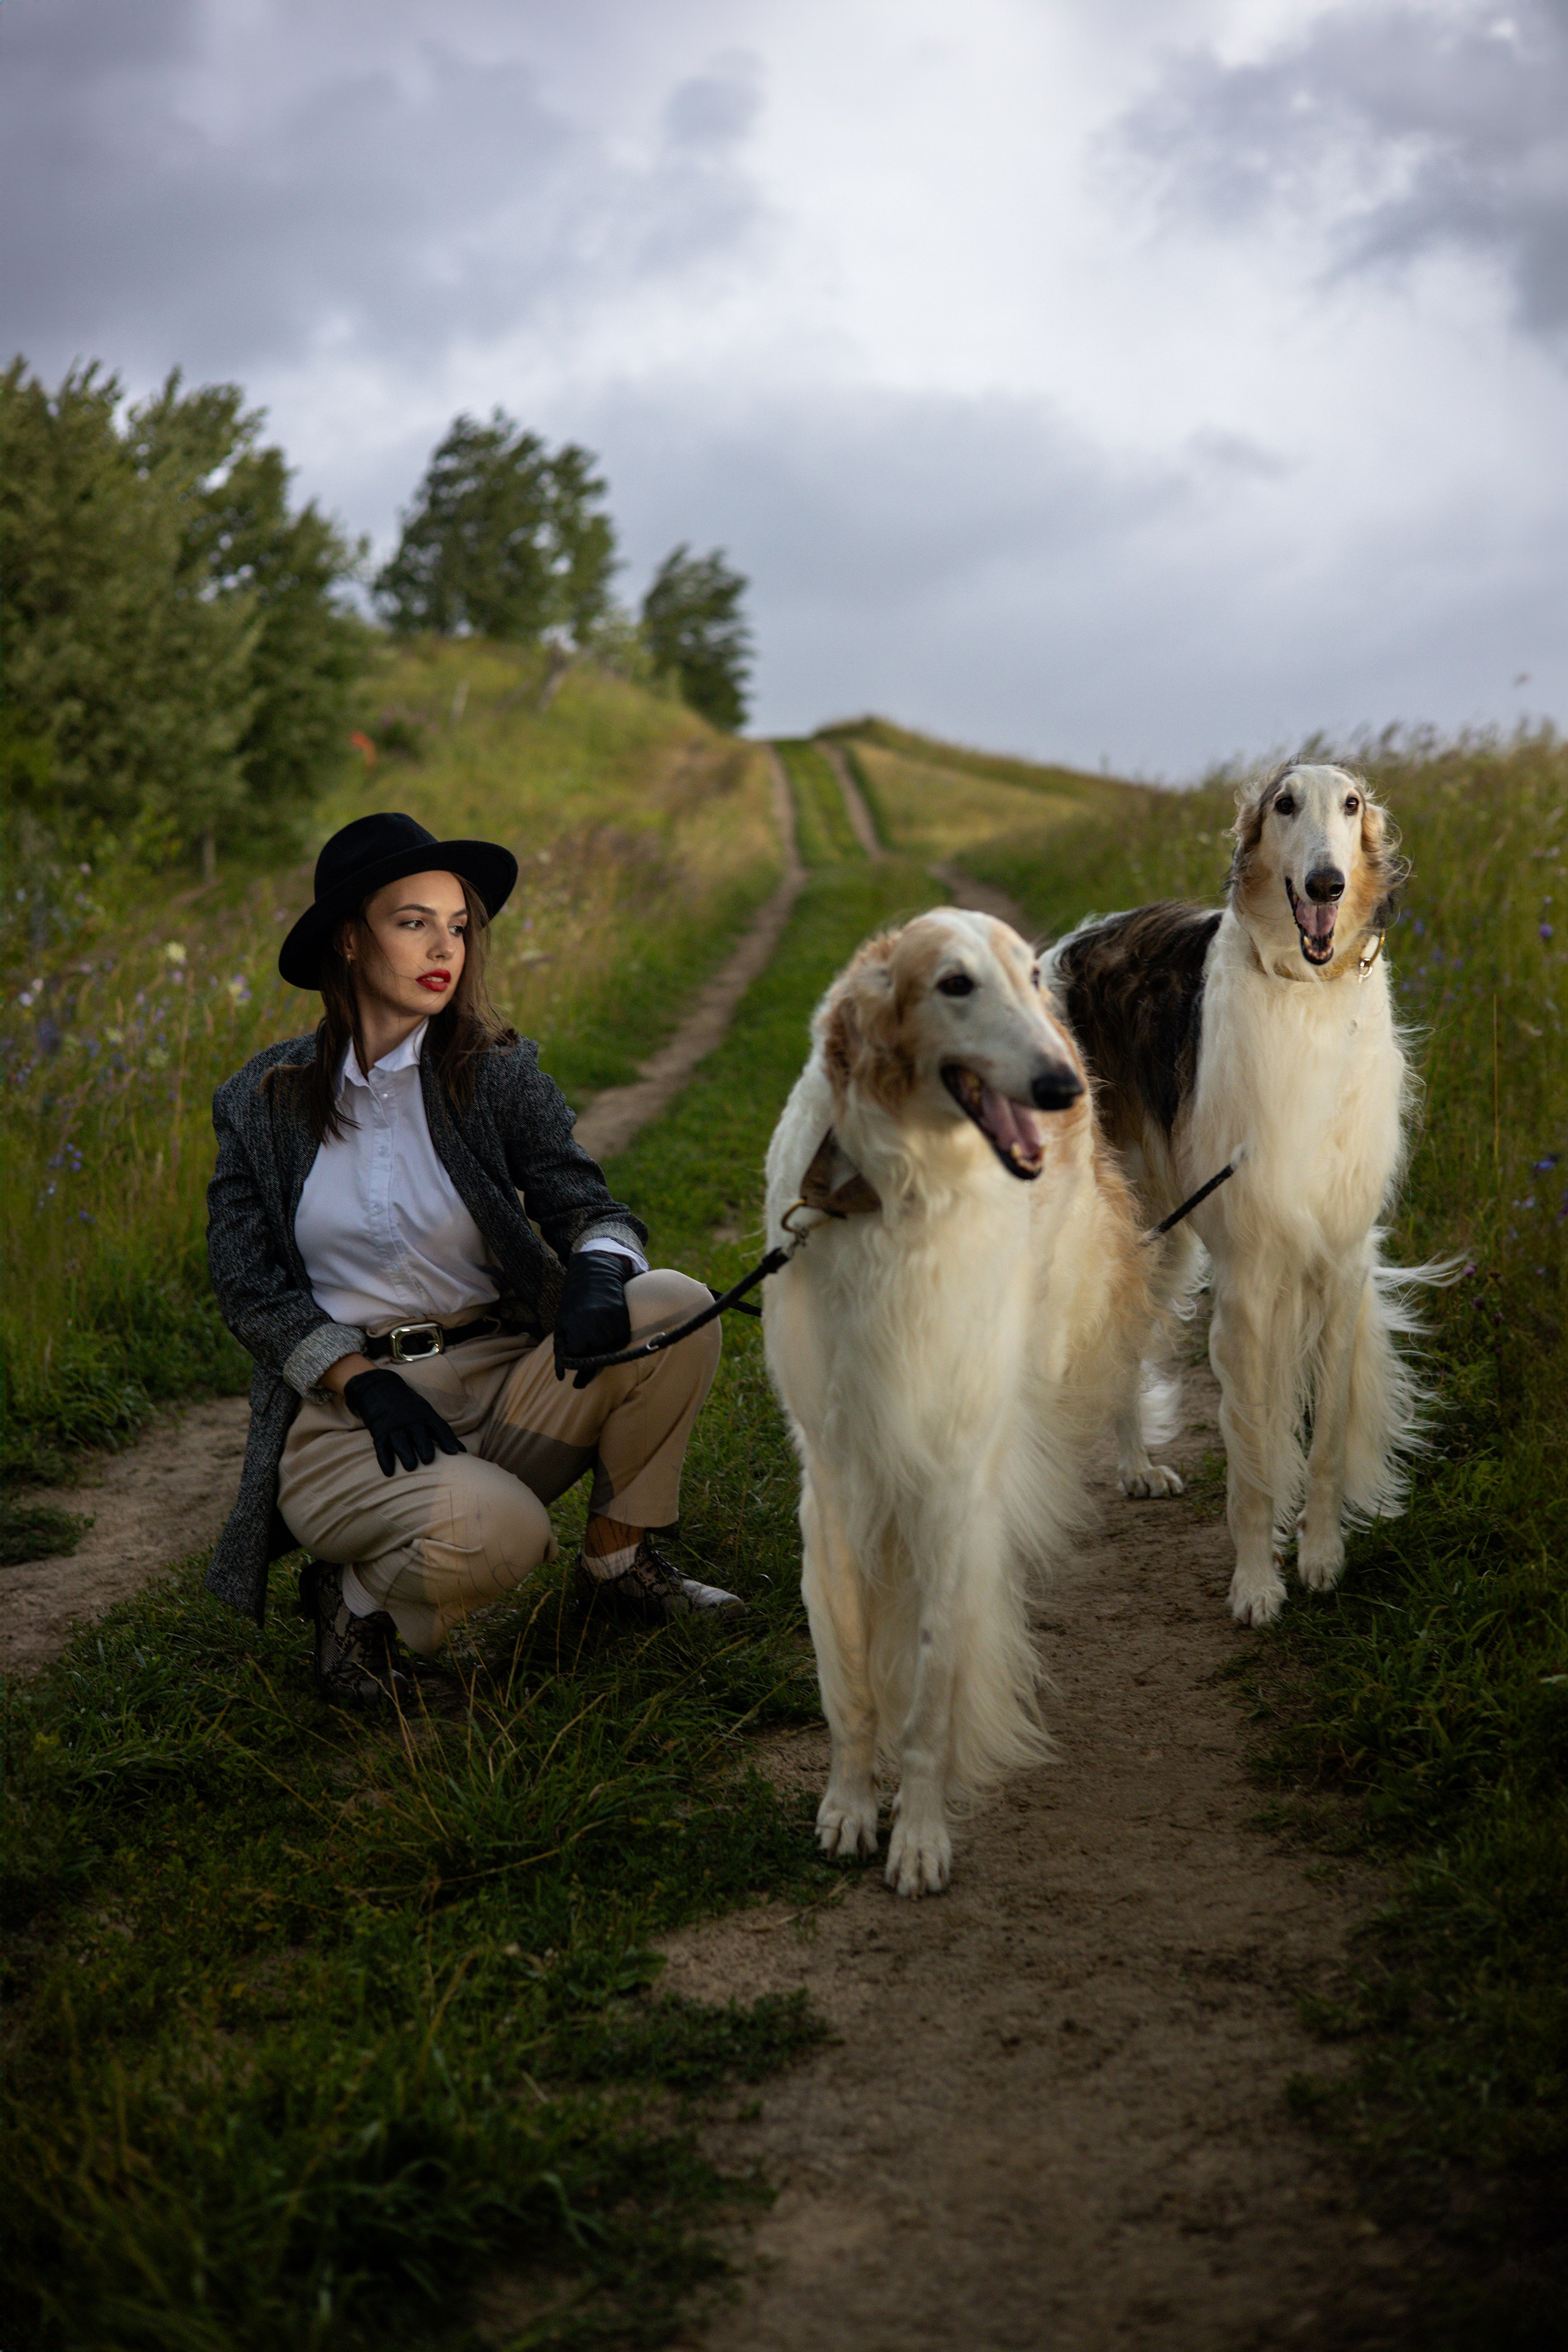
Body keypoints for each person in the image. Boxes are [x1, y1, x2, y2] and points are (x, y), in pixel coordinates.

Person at [205, 810, 741, 1705]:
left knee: (674, 1304)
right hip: (354, 1417)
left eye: (456, 926)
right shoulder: (262, 1101)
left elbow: (589, 1206)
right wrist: (353, 1379)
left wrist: (601, 1270)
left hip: (501, 1374)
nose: (441, 947)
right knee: (501, 1536)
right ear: (349, 938)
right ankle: (353, 1609)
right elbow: (247, 1284)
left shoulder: (495, 1074)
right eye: (413, 921)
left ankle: (620, 1565)